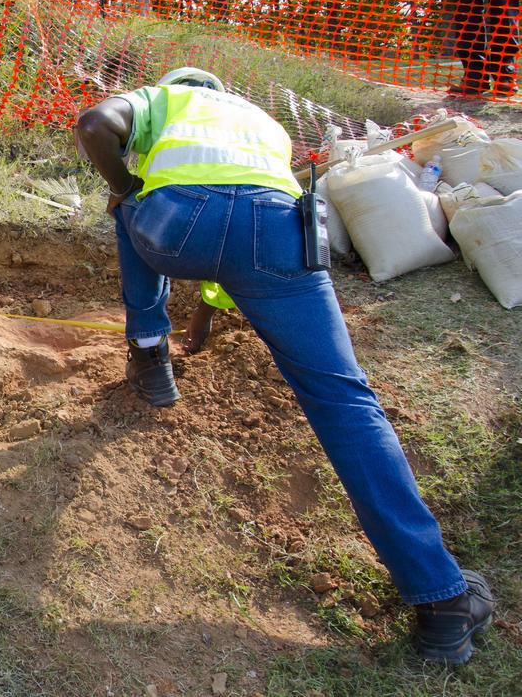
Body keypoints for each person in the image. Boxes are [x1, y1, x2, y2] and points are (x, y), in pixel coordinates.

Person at [74, 67, 495, 663]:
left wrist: (125, 186)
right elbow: (240, 225)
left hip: (177, 229)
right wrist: (212, 313)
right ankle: (442, 601)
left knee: (130, 202)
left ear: (180, 90)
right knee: (345, 402)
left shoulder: (163, 100)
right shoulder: (262, 123)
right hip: (277, 231)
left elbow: (94, 125)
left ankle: (149, 355)